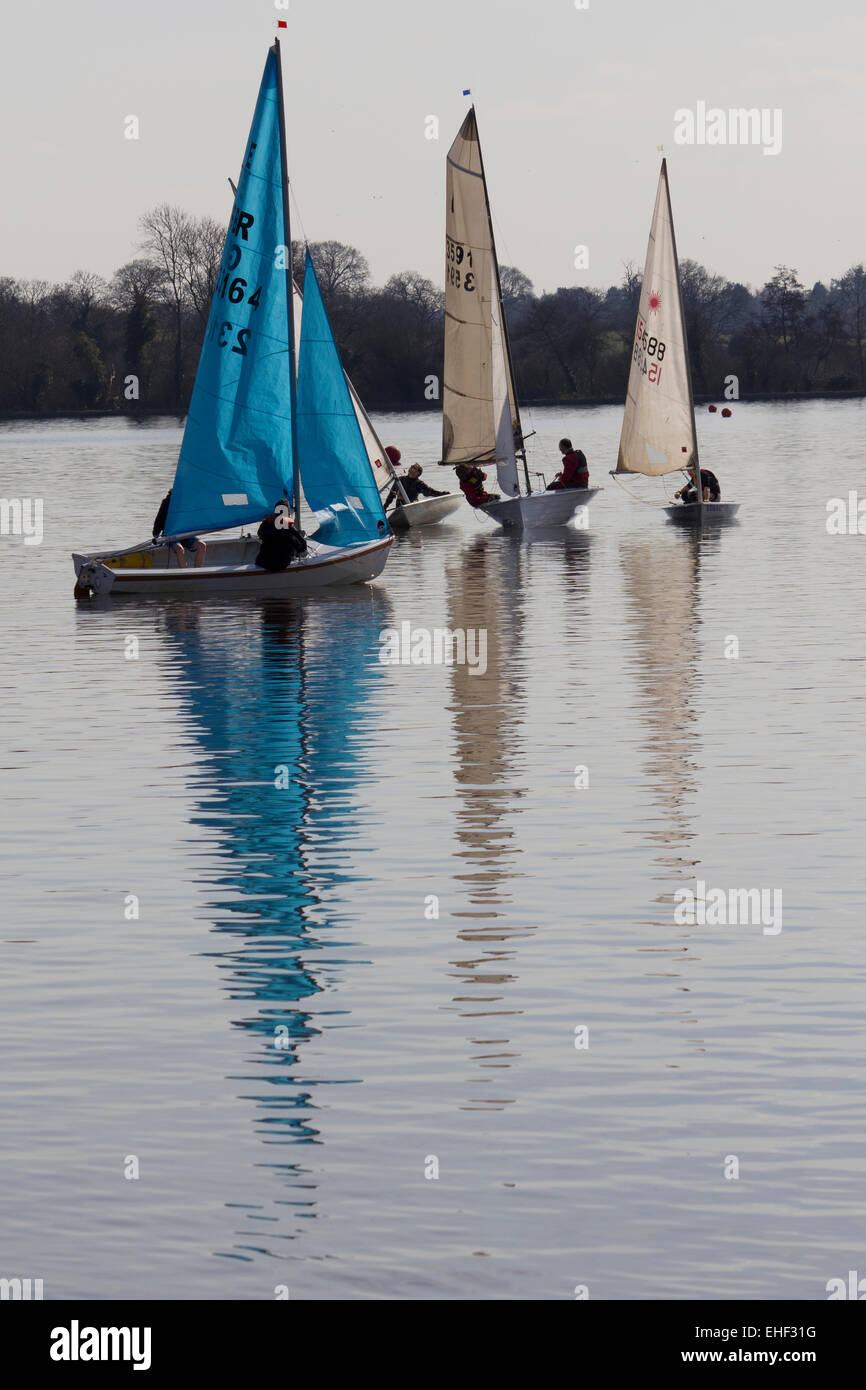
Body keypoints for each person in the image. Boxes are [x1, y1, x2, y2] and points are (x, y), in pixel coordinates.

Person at [153, 489, 207, 567]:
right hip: (170, 535)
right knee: (180, 549)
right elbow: (158, 521)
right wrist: (156, 535)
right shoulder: (167, 502)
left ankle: (196, 573)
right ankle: (185, 575)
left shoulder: (188, 502)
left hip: (185, 534)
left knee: (202, 546)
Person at [255, 499, 307, 572]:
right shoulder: (289, 529)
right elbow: (302, 546)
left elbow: (260, 534)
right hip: (279, 566)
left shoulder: (265, 524)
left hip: (262, 563)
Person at [383, 461, 448, 511]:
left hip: (412, 507)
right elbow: (391, 495)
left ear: (418, 473)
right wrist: (385, 507)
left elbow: (429, 492)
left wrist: (442, 494)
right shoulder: (400, 480)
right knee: (399, 498)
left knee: (414, 502)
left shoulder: (419, 483)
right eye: (411, 466)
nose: (411, 467)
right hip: (400, 507)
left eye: (414, 467)